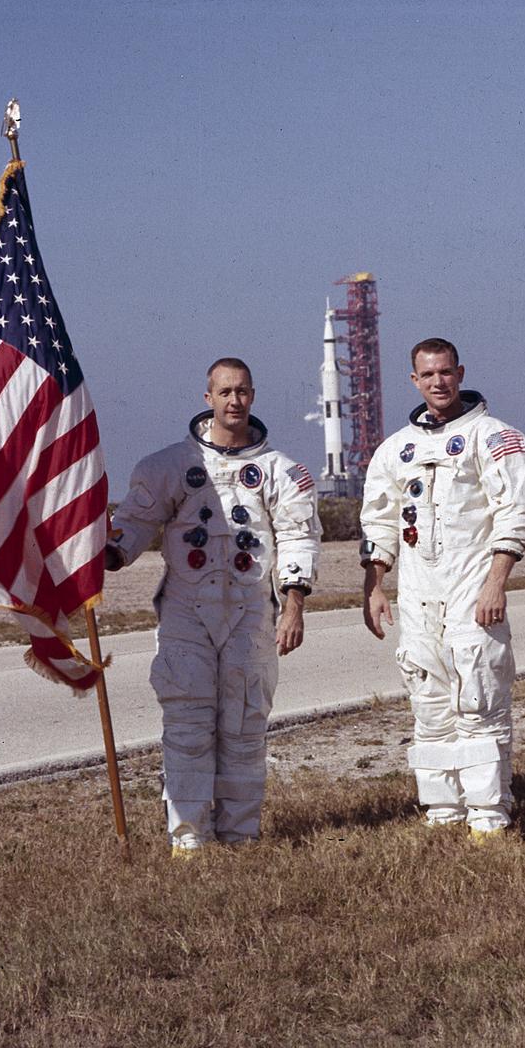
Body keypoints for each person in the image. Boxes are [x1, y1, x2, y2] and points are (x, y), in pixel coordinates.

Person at [106, 358, 320, 855]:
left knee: (244, 725)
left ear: (253, 395)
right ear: (208, 398)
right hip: (187, 610)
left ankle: (240, 836)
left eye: (242, 391)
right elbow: (135, 522)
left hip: (250, 609)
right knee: (187, 723)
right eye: (224, 392)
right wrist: (109, 551)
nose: (233, 401)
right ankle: (189, 839)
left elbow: (298, 539)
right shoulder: (168, 466)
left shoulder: (282, 472)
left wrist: (294, 604)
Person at [360, 338, 525, 839]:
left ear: (459, 373)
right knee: (429, 700)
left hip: (473, 586)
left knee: (478, 697)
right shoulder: (396, 449)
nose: (438, 382)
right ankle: (443, 810)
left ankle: (487, 813)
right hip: (418, 590)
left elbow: (517, 512)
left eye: (445, 372)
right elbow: (379, 521)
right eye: (427, 374)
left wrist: (496, 584)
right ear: (413, 380)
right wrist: (375, 586)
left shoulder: (495, 437)